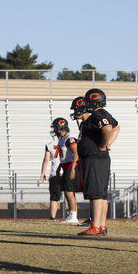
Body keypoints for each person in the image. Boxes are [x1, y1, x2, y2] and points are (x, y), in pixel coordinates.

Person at [76, 88, 120, 237]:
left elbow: (108, 129)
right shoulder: (104, 114)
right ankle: (101, 226)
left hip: (95, 158)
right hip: (100, 158)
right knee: (101, 194)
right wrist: (108, 144)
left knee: (95, 193)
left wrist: (103, 145)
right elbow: (116, 127)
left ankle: (95, 226)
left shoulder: (97, 115)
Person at [52, 118, 80, 224]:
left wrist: (72, 168)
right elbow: (63, 156)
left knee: (69, 191)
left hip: (71, 167)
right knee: (67, 192)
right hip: (66, 167)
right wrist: (59, 167)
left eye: (55, 127)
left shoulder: (69, 138)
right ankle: (72, 215)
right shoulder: (61, 139)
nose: (54, 130)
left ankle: (73, 216)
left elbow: (76, 153)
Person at [70, 96, 93, 227]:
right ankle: (91, 218)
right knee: (88, 191)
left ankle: (94, 219)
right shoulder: (84, 124)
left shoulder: (90, 122)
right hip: (85, 160)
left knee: (93, 192)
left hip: (91, 160)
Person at [40, 136, 62, 220]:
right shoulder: (68, 142)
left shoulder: (50, 144)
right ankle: (73, 216)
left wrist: (43, 172)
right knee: (70, 195)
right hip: (66, 171)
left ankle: (53, 218)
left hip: (55, 173)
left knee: (54, 198)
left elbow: (46, 159)